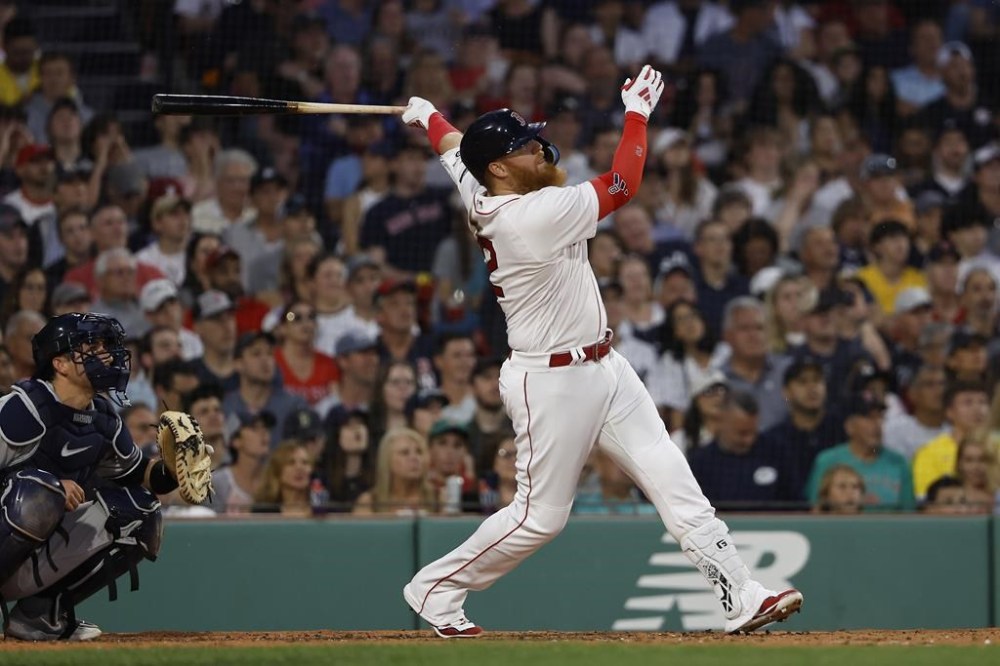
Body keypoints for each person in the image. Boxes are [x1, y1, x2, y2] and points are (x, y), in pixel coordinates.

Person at [398, 64, 801, 639]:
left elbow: (456, 150)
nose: (538, 148)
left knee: (670, 473)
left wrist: (429, 116)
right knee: (540, 520)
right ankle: (436, 589)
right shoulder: (531, 215)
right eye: (522, 146)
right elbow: (623, 184)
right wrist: (636, 114)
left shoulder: (484, 185)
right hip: (550, 381)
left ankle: (740, 594)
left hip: (602, 365)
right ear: (499, 169)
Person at [0, 313, 188, 640]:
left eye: (106, 344)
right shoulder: (23, 407)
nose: (105, 352)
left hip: (31, 549)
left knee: (140, 513)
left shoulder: (102, 418)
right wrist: (46, 484)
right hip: (14, 520)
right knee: (37, 493)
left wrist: (174, 468)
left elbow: (139, 477)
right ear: (60, 363)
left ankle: (40, 617)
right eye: (91, 345)